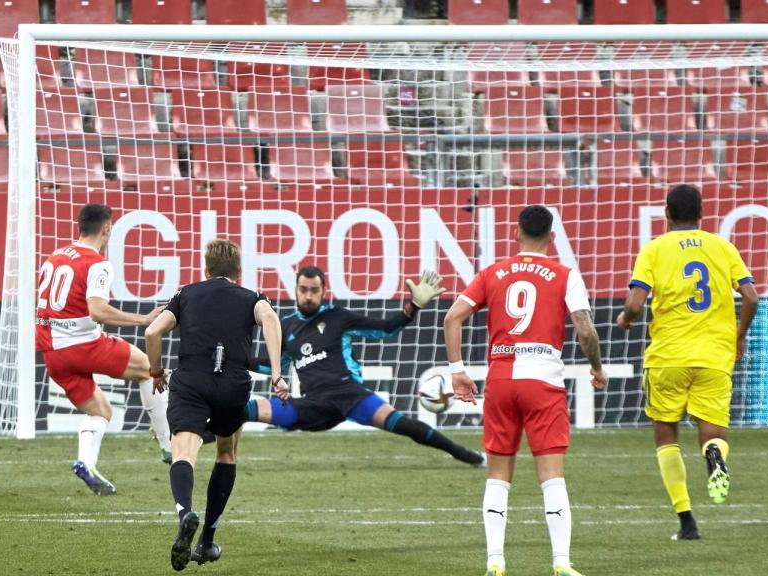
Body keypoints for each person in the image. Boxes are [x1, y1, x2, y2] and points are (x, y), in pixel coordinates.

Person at [443, 205, 607, 576]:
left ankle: (495, 561)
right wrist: (597, 367)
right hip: (543, 383)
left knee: (498, 475)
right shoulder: (566, 275)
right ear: (552, 238)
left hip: (501, 381)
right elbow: (584, 330)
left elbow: (452, 317)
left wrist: (458, 372)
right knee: (552, 475)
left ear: (516, 233)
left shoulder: (492, 272)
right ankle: (561, 562)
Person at [617, 184, 758, 540]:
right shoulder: (722, 247)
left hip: (668, 357)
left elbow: (635, 304)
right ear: (701, 213)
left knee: (666, 436)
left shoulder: (654, 249)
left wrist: (627, 320)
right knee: (712, 433)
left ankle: (686, 521)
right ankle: (714, 455)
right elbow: (751, 296)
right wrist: (738, 336)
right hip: (714, 355)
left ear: (667, 213)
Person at [246, 266, 485, 467]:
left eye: (314, 291)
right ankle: (208, 435)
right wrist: (239, 359)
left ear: (323, 291)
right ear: (296, 290)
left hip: (351, 395)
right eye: (304, 290)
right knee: (248, 409)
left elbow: (387, 329)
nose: (309, 296)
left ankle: (464, 455)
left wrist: (414, 305)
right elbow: (273, 367)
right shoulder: (285, 327)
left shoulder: (337, 317)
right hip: (314, 404)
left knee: (403, 425)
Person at [144, 239, 288, 571]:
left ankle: (184, 513)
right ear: (238, 273)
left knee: (183, 452)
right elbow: (269, 318)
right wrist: (277, 374)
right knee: (226, 452)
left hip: (192, 380)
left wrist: (155, 371)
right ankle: (206, 542)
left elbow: (152, 331)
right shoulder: (252, 297)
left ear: (205, 270)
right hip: (233, 384)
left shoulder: (186, 294)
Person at [36, 203, 168, 496]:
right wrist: (142, 319)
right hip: (81, 344)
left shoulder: (54, 256)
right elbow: (97, 309)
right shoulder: (97, 263)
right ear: (107, 228)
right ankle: (168, 444)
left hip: (53, 354)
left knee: (101, 411)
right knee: (149, 368)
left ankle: (86, 463)